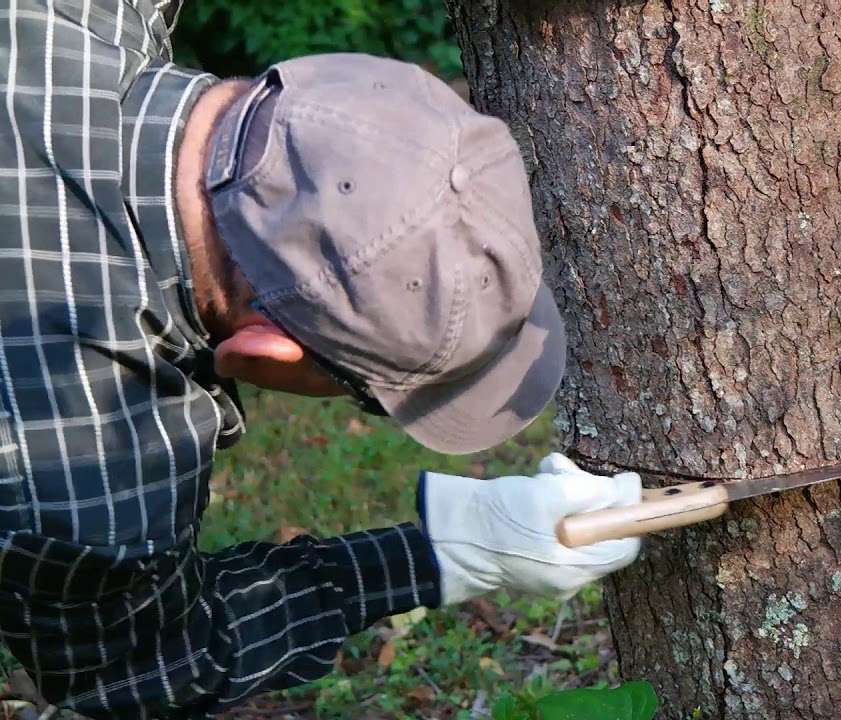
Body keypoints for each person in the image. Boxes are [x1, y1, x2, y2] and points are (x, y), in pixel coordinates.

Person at [0, 2, 644, 718]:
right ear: (263, 352)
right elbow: (142, 663)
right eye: (366, 390)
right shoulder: (78, 461)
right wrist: (457, 549)